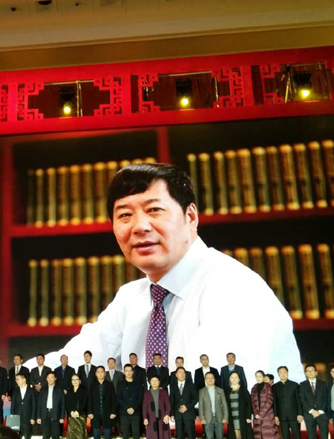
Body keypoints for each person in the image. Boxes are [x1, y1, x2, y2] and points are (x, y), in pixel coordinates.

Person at [24, 164, 303, 382]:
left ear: (190, 217)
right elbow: (71, 364)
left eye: (154, 210)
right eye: (124, 215)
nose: (139, 226)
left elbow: (212, 396)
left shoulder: (232, 287)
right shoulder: (132, 298)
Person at [299, 364, 329, 439]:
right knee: (311, 436)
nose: (310, 372)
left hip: (322, 414)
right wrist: (311, 411)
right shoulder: (302, 385)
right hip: (309, 415)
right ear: (305, 373)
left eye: (312, 370)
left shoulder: (323, 384)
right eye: (308, 371)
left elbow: (326, 398)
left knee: (324, 436)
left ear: (316, 372)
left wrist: (320, 411)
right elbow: (302, 399)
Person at [272, 366, 302, 439]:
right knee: (285, 436)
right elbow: (274, 402)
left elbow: (299, 400)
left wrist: (300, 414)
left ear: (287, 373)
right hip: (282, 416)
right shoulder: (275, 386)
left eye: (285, 372)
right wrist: (275, 415)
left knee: (297, 436)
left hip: (294, 415)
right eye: (281, 372)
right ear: (278, 374)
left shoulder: (295, 385)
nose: (283, 374)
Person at [87, 366, 117, 439]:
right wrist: (90, 412)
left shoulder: (110, 384)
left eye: (102, 372)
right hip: (95, 413)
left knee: (107, 435)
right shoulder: (92, 385)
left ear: (105, 373)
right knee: (96, 435)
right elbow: (89, 399)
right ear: (96, 374)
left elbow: (113, 399)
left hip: (107, 413)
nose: (100, 374)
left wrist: (113, 412)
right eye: (98, 372)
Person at [170, 367, 198, 439]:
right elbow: (172, 400)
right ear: (176, 375)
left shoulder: (191, 384)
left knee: (191, 435)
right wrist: (172, 414)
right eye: (180, 372)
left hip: (189, 414)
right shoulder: (173, 386)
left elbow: (196, 398)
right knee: (179, 436)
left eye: (183, 373)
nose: (182, 374)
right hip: (178, 414)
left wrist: (187, 407)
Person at [199, 372, 228, 439]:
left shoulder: (220, 390)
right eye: (208, 378)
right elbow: (201, 406)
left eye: (212, 378)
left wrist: (225, 417)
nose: (210, 379)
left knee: (220, 437)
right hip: (207, 419)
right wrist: (202, 418)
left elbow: (224, 405)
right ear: (205, 380)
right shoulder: (202, 391)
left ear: (214, 379)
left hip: (219, 418)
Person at [117, 364, 143, 439]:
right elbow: (119, 397)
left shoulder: (138, 383)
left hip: (136, 412)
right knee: (125, 434)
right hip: (124, 412)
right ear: (124, 372)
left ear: (133, 372)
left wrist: (134, 408)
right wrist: (127, 408)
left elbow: (140, 397)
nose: (128, 373)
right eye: (126, 371)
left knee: (136, 433)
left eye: (130, 371)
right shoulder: (120, 384)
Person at [224, 372, 253, 439]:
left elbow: (249, 404)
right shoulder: (227, 391)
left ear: (239, 379)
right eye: (232, 377)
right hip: (232, 418)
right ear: (229, 379)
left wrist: (248, 417)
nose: (234, 379)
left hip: (242, 417)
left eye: (236, 377)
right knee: (234, 435)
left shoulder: (244, 390)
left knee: (243, 435)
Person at [36, 373, 64, 439]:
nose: (50, 379)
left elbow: (62, 404)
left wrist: (62, 417)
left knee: (55, 435)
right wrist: (38, 416)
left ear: (55, 378)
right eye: (48, 377)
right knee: (45, 435)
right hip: (45, 414)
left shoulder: (59, 389)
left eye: (52, 377)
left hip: (56, 414)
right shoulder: (43, 389)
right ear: (46, 379)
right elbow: (39, 404)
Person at [251, 370, 278, 439]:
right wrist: (255, 413)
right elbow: (252, 402)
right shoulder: (254, 388)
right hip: (257, 417)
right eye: (257, 376)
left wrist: (261, 414)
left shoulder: (268, 386)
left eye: (260, 376)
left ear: (263, 377)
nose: (258, 378)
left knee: (269, 435)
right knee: (259, 436)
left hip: (267, 415)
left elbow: (270, 401)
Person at [10, 373, 36, 439]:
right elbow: (13, 405)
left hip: (27, 418)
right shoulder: (15, 390)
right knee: (16, 436)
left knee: (27, 436)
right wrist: (12, 417)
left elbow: (34, 405)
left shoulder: (31, 390)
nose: (16, 381)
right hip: (17, 418)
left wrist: (33, 417)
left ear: (24, 379)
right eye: (16, 380)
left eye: (18, 379)